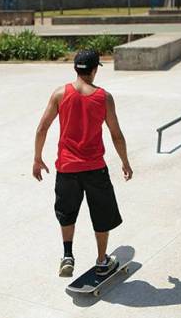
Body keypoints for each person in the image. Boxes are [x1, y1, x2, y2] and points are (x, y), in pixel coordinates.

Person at [33, 49, 134, 277]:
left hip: (66, 169)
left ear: (75, 69)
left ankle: (67, 255)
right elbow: (116, 134)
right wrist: (125, 162)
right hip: (95, 169)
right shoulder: (104, 97)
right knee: (102, 213)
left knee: (67, 213)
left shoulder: (60, 94)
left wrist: (37, 158)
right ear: (95, 69)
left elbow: (42, 128)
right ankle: (101, 260)